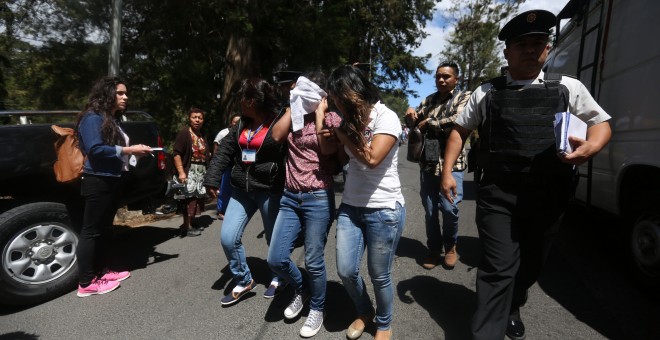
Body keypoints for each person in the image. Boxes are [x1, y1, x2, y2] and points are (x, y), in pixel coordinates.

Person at [440, 10, 612, 340]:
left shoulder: (567, 87)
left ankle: (515, 303)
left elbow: (601, 123)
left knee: (532, 263)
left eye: (538, 42)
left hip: (550, 194)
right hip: (498, 194)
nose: (531, 49)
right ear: (507, 51)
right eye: (522, 44)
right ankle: (487, 331)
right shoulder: (488, 91)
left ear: (548, 48)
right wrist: (447, 171)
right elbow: (459, 131)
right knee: (497, 267)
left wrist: (590, 148)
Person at [324, 65, 406, 340]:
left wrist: (342, 132)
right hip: (351, 206)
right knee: (346, 270)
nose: (335, 102)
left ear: (353, 91)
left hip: (384, 208)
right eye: (333, 98)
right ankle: (364, 310)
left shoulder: (387, 117)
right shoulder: (348, 121)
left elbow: (371, 160)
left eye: (338, 96)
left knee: (379, 274)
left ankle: (384, 323)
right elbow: (341, 158)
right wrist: (332, 137)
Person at [267, 72, 342, 337]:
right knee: (275, 258)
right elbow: (276, 136)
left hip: (318, 196)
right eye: (297, 89)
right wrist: (292, 104)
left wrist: (321, 111)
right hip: (290, 196)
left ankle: (317, 308)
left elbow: (328, 149)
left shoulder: (332, 118)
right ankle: (302, 289)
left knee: (313, 259)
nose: (300, 93)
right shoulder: (293, 115)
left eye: (305, 90)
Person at [204, 77, 287, 306]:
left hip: (270, 189)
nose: (238, 101)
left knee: (274, 239)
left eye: (242, 97)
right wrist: (211, 178)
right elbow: (225, 151)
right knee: (228, 238)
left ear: (253, 100)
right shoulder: (240, 124)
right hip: (241, 189)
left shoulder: (278, 121)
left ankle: (279, 275)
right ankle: (244, 279)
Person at [74, 76, 152, 297]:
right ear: (106, 94)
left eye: (126, 93)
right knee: (91, 231)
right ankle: (87, 282)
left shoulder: (110, 119)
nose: (125, 97)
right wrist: (129, 150)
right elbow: (95, 150)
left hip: (111, 178)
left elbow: (116, 151)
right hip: (97, 180)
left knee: (103, 230)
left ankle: (101, 271)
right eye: (120, 93)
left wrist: (135, 153)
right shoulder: (92, 118)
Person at [404, 62, 471, 270]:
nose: (441, 80)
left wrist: (430, 121)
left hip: (453, 165)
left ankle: (451, 246)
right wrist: (411, 116)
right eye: (438, 76)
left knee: (450, 209)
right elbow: (415, 125)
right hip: (429, 163)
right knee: (431, 210)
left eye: (447, 76)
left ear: (456, 79)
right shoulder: (429, 100)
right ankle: (434, 249)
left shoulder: (464, 97)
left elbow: (458, 120)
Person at [172, 107, 211, 237]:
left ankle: (191, 223)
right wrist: (181, 172)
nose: (197, 120)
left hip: (200, 172)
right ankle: (186, 227)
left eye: (200, 118)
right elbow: (177, 154)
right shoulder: (184, 133)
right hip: (189, 171)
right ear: (189, 118)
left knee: (196, 198)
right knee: (188, 199)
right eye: (194, 117)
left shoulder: (202, 134)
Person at [213, 113, 241, 220]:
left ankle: (232, 210)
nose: (236, 124)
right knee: (224, 189)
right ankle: (221, 210)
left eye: (239, 122)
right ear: (231, 123)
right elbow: (216, 148)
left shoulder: (244, 133)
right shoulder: (223, 133)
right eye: (235, 122)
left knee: (235, 190)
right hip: (226, 166)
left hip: (238, 167)